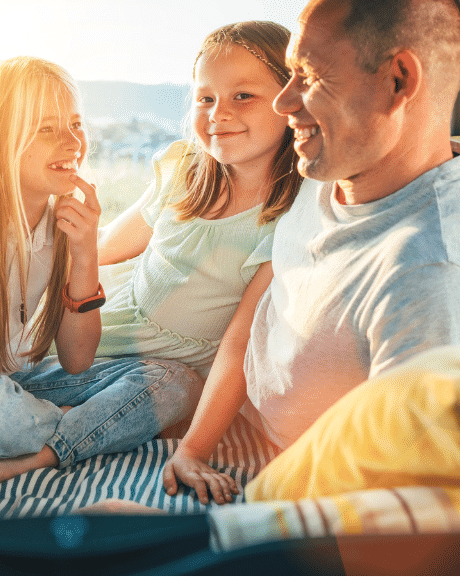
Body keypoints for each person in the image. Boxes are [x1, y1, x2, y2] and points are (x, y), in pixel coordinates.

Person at [163, 0, 460, 504]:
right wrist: (193, 450)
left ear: (398, 80)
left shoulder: (430, 274)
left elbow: (400, 501)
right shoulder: (329, 176)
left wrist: (214, 531)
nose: (284, 103)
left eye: (310, 76)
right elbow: (253, 323)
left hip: (312, 491)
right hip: (237, 430)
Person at [0, 56, 203, 499]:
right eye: (47, 128)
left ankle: (38, 453)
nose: (73, 142)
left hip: (13, 381)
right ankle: (63, 426)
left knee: (176, 382)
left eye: (76, 124)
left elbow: (77, 360)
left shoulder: (59, 223)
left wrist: (84, 253)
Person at [95, 21, 305, 378]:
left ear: (291, 100)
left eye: (243, 96)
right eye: (205, 98)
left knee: (163, 386)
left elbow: (239, 344)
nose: (218, 113)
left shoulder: (287, 220)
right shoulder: (183, 172)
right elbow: (104, 246)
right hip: (106, 335)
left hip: (162, 373)